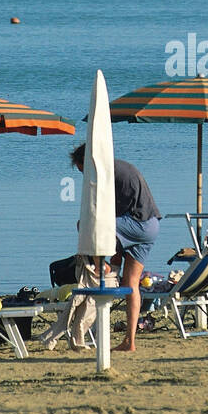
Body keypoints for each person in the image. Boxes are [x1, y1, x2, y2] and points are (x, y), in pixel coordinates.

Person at [70, 144, 161, 352]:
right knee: (131, 284)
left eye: (82, 170)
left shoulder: (106, 174)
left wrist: (95, 257)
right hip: (152, 225)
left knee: (85, 224)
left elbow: (100, 217)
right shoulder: (117, 168)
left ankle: (100, 268)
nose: (83, 176)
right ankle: (130, 341)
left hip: (138, 223)